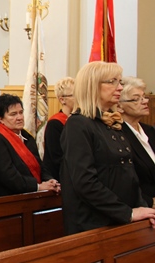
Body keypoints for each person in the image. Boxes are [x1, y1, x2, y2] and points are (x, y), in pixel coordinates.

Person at [61, 63, 155, 234]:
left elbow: (129, 174)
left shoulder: (110, 122)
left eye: (120, 82)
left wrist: (143, 209)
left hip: (121, 219)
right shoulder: (78, 124)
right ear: (92, 85)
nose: (119, 87)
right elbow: (85, 182)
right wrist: (127, 213)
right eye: (112, 82)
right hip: (95, 224)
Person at [0, 94, 59, 197]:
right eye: (13, 114)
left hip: (32, 194)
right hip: (9, 198)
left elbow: (39, 165)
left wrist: (49, 180)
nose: (19, 117)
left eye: (21, 112)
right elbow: (8, 175)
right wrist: (37, 187)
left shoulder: (26, 136)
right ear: (0, 119)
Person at [118, 77, 155, 207]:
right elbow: (125, 182)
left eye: (144, 97)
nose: (145, 101)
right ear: (119, 106)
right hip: (141, 206)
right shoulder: (118, 134)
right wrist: (150, 202)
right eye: (136, 99)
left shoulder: (150, 130)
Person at [42, 77, 75, 181]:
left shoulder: (80, 120)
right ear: (62, 99)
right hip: (59, 177)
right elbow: (56, 157)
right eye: (74, 95)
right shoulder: (55, 123)